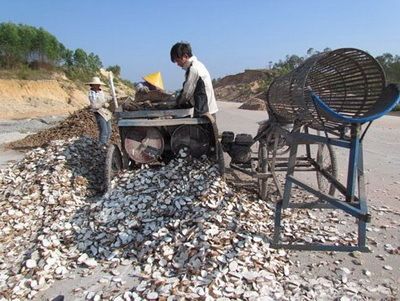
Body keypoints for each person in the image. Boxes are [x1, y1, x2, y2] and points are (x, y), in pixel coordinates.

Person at [170, 42, 218, 118]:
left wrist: (176, 103)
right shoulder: (198, 65)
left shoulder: (193, 69)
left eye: (178, 61)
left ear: (185, 56)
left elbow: (186, 94)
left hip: (204, 111)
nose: (177, 64)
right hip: (208, 109)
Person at [87, 76, 113, 146]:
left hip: (105, 112)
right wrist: (103, 103)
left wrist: (111, 97)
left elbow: (105, 98)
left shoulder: (101, 92)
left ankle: (106, 143)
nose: (98, 85)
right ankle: (101, 144)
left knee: (109, 130)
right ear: (92, 85)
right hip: (98, 112)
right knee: (104, 130)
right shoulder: (91, 93)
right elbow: (94, 105)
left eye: (99, 84)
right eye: (97, 84)